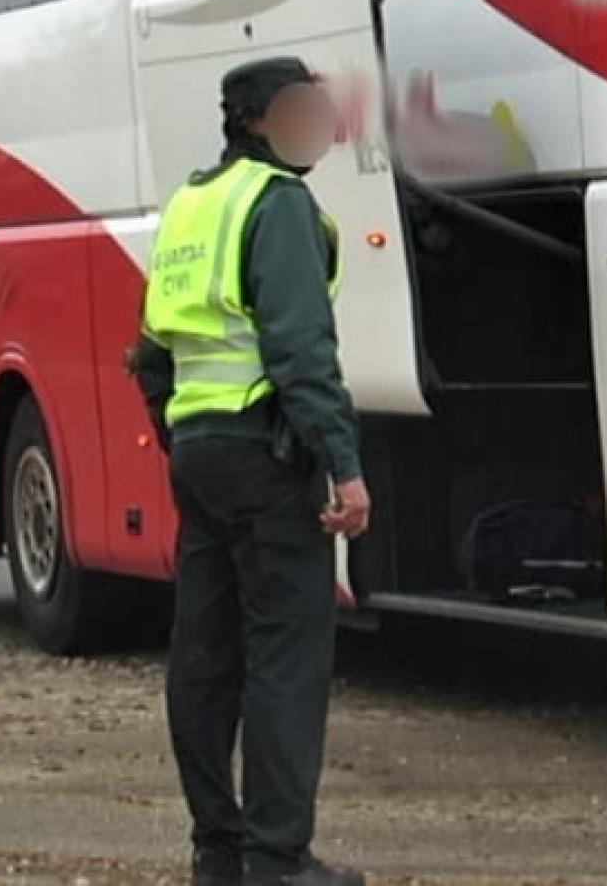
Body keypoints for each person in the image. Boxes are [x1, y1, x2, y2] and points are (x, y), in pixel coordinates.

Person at [130, 57, 369, 886]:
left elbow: (149, 354)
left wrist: (183, 437)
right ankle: (276, 861)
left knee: (203, 656)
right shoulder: (279, 204)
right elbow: (301, 350)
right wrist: (343, 464)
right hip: (267, 456)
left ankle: (218, 853)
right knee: (286, 658)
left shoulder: (191, 206)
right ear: (263, 121)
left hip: (199, 453)